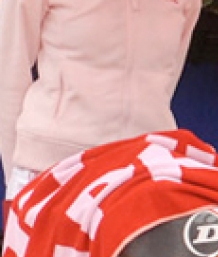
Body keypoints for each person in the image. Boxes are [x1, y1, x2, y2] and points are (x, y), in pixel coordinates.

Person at [0, 0, 201, 202]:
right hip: (52, 170)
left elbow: (165, 80)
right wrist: (16, 175)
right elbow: (7, 75)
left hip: (144, 171)